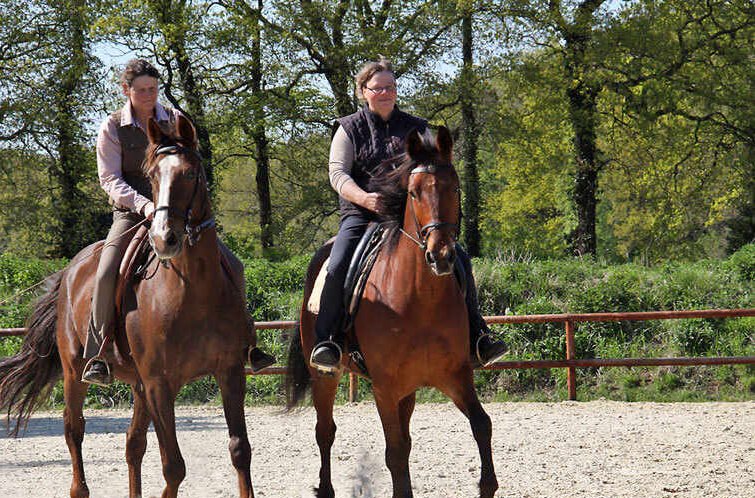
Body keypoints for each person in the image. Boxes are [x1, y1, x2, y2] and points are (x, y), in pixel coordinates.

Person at [309, 58, 508, 374]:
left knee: (461, 259)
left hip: (409, 217)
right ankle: (328, 342)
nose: (386, 92)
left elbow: (433, 171)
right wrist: (363, 198)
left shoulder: (417, 127)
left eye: (391, 87)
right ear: (364, 92)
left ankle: (478, 336)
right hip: (362, 214)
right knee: (339, 261)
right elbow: (337, 174)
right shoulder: (348, 128)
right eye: (378, 88)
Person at [83, 58, 274, 385]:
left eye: (153, 89)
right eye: (141, 90)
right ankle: (99, 354)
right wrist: (145, 206)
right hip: (132, 213)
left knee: (235, 266)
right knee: (105, 273)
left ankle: (246, 343)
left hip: (180, 212)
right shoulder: (112, 127)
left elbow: (191, 164)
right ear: (126, 90)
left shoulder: (176, 120)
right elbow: (110, 179)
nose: (148, 95)